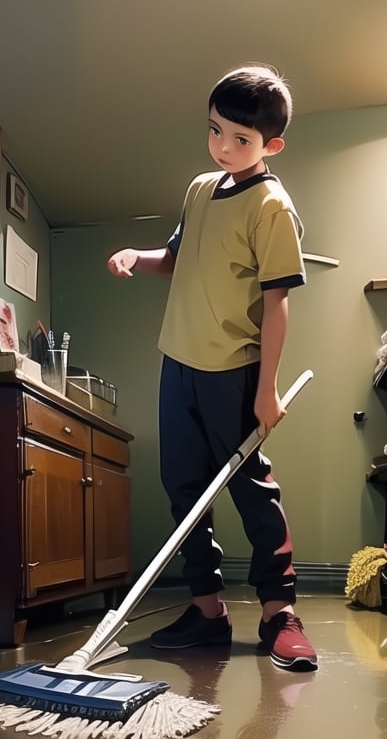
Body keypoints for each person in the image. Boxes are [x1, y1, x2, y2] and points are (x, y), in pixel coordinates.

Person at [107, 63, 317, 672]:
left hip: (235, 369)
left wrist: (267, 391)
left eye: (241, 140)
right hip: (178, 364)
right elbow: (174, 258)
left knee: (252, 490)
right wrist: (134, 256)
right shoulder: (201, 189)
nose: (224, 148)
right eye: (215, 131)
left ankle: (280, 614)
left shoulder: (272, 206)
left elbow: (278, 304)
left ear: (271, 145)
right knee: (185, 492)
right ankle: (207, 612)